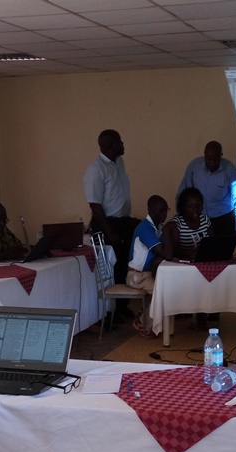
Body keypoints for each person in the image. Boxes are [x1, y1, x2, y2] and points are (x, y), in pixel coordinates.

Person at [83, 129, 138, 289]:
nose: (123, 144)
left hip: (123, 221)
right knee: (111, 267)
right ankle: (111, 310)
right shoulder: (96, 170)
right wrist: (109, 231)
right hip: (107, 224)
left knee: (124, 263)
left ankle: (123, 305)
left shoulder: (119, 162)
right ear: (110, 146)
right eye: (119, 142)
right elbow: (94, 204)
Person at [178, 140, 236, 246]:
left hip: (224, 221)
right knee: (200, 256)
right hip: (199, 220)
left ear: (221, 156)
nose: (212, 163)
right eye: (208, 159)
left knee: (223, 256)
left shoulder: (230, 170)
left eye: (215, 159)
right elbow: (183, 195)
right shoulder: (194, 167)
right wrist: (183, 221)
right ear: (204, 154)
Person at [126, 195, 168, 337]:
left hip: (146, 274)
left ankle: (146, 314)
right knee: (162, 292)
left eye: (165, 210)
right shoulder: (145, 228)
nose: (164, 214)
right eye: (160, 210)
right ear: (150, 210)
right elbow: (163, 251)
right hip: (136, 275)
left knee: (167, 287)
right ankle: (142, 321)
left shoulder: (157, 227)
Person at [164, 186, 212, 262]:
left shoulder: (204, 219)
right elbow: (175, 250)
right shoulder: (177, 223)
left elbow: (212, 241)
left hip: (204, 260)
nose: (195, 209)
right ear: (183, 207)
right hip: (185, 263)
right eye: (190, 206)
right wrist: (190, 253)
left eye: (198, 205)